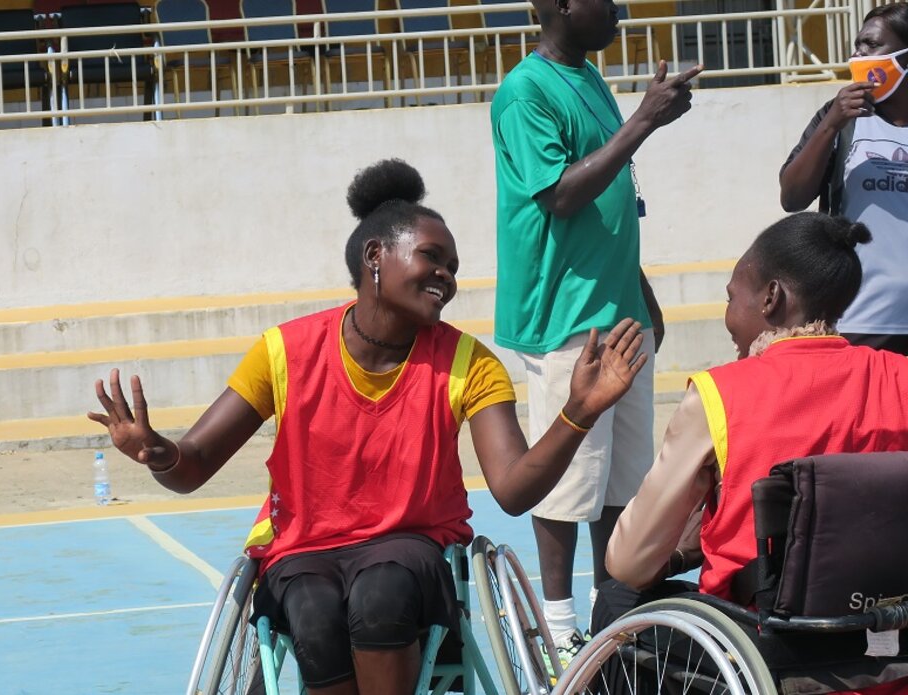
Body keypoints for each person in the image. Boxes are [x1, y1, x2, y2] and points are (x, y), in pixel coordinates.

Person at [89, 159, 649, 695]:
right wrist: (160, 454)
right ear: (375, 256)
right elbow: (193, 466)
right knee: (310, 606)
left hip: (412, 546)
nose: (446, 277)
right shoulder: (284, 351)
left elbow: (512, 490)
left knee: (381, 590)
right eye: (433, 257)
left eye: (453, 268)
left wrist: (579, 411)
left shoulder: (469, 363)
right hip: (305, 550)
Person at [600, 212, 908, 693]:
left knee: (615, 598)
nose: (728, 317)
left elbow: (630, 562)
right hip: (880, 647)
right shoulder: (900, 378)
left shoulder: (720, 394)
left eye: (731, 297)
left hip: (757, 653)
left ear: (771, 297)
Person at [489, 0, 702, 660]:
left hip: (616, 308)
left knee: (625, 480)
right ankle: (558, 626)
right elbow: (561, 195)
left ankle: (614, 613)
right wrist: (643, 120)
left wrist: (640, 292)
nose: (620, 8)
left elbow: (613, 199)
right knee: (569, 475)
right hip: (565, 317)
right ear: (555, 6)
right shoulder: (524, 90)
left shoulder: (589, 77)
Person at [780, 3, 908, 356]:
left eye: (871, 44)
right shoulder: (842, 120)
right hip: (861, 318)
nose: (858, 54)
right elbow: (792, 197)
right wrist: (831, 124)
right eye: (857, 44)